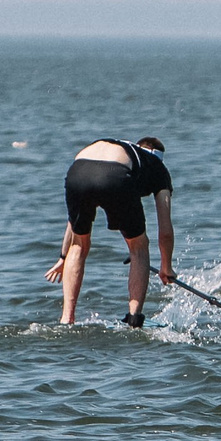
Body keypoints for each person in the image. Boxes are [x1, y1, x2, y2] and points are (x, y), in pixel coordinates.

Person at [44, 137, 175, 325]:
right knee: (139, 246)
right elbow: (165, 231)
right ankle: (134, 319)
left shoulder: (121, 148)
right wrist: (166, 266)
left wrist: (64, 256)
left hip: (77, 170)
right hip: (114, 177)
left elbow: (74, 222)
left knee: (79, 244)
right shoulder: (157, 167)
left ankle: (67, 319)